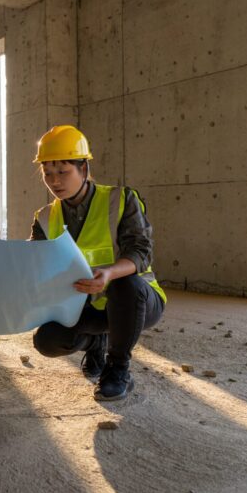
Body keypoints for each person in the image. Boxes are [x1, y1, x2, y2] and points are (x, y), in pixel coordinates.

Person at [28, 125, 166, 400]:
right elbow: (34, 263)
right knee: (47, 340)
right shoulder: (44, 217)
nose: (55, 181)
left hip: (134, 302)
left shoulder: (121, 200)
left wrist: (108, 273)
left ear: (84, 169)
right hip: (85, 306)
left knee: (124, 282)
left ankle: (117, 370)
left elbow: (141, 252)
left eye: (63, 172)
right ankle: (97, 342)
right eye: (48, 173)